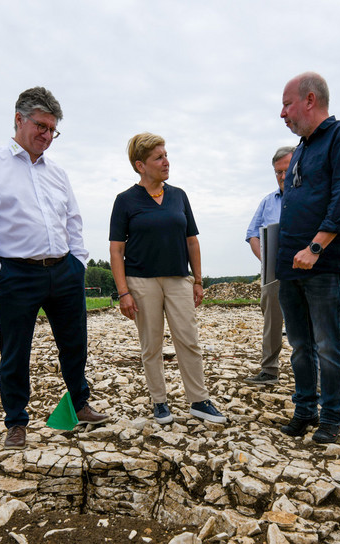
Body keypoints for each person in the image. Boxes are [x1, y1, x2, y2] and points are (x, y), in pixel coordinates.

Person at [0, 87, 109, 451]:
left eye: (52, 130)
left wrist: (78, 261)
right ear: (19, 120)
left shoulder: (57, 172)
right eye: (41, 127)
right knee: (15, 351)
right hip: (17, 273)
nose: (47, 136)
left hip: (63, 270)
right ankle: (15, 421)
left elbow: (73, 218)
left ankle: (79, 403)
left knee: (74, 343)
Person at [276, 72, 340, 444]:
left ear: (310, 99)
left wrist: (315, 247)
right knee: (300, 345)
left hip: (326, 265)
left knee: (329, 345)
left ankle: (331, 417)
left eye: (287, 104)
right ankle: (305, 409)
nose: (282, 113)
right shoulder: (300, 148)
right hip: (291, 266)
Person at [109, 132, 226, 426]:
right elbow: (116, 249)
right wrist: (123, 292)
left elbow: (192, 241)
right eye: (158, 157)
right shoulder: (124, 201)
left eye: (166, 155)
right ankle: (159, 402)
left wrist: (198, 280)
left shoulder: (179, 196)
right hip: (141, 282)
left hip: (178, 279)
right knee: (151, 344)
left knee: (189, 339)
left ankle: (199, 399)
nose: (166, 161)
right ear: (140, 165)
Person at [243, 145, 296, 385]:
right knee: (272, 321)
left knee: (308, 321)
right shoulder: (268, 201)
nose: (283, 176)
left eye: (287, 170)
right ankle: (269, 370)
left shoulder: (311, 196)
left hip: (306, 271)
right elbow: (252, 234)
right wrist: (265, 260)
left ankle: (313, 373)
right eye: (278, 172)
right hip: (273, 272)